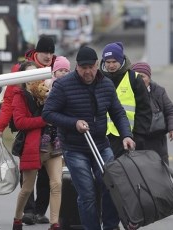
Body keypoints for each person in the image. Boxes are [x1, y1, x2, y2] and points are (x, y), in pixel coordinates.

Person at [42, 46, 136, 230]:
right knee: (87, 194)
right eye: (83, 67)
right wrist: (74, 122)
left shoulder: (106, 84)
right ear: (77, 67)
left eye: (91, 67)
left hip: (101, 144)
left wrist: (126, 135)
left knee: (112, 186)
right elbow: (48, 113)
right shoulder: (63, 85)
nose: (87, 71)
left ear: (97, 65)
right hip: (75, 147)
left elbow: (117, 112)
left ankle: (110, 226)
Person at [0, 35, 57, 225]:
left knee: (47, 176)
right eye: (45, 51)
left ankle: (39, 211)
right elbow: (9, 102)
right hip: (28, 129)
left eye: (51, 52)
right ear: (37, 52)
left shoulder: (54, 69)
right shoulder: (22, 70)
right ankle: (27, 211)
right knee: (28, 172)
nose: (48, 56)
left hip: (50, 133)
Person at [11, 61, 62, 230]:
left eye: (37, 73)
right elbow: (19, 122)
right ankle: (18, 218)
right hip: (32, 146)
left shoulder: (49, 91)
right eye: (30, 74)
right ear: (23, 77)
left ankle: (55, 223)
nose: (34, 78)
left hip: (53, 145)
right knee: (26, 188)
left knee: (56, 184)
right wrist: (44, 119)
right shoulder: (20, 96)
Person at [99, 42, 151, 158]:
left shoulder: (134, 78)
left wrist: (139, 136)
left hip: (129, 137)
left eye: (114, 62)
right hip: (103, 136)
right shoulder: (98, 79)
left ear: (121, 61)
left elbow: (145, 110)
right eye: (108, 62)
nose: (111, 65)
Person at [131, 62, 173, 164]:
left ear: (149, 78)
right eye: (136, 76)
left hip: (157, 142)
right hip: (136, 141)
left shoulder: (159, 91)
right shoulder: (127, 93)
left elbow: (170, 111)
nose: (139, 79)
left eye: (142, 76)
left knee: (158, 174)